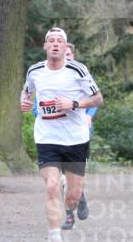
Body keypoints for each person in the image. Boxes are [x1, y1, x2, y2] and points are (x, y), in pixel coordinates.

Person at [20, 27, 103, 242]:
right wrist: (24, 103)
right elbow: (27, 93)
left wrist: (74, 104)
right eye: (51, 41)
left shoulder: (78, 70)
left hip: (76, 138)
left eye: (60, 41)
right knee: (51, 187)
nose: (55, 44)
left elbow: (98, 98)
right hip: (47, 137)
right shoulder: (35, 71)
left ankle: (71, 203)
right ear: (45, 46)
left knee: (73, 196)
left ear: (66, 48)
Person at [30, 43, 96, 222]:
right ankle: (68, 217)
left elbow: (93, 99)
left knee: (73, 179)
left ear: (72, 56)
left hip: (77, 134)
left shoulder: (80, 73)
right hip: (52, 135)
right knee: (57, 180)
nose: (64, 57)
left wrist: (89, 116)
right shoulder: (45, 76)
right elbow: (38, 104)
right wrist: (43, 114)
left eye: (68, 54)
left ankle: (78, 195)